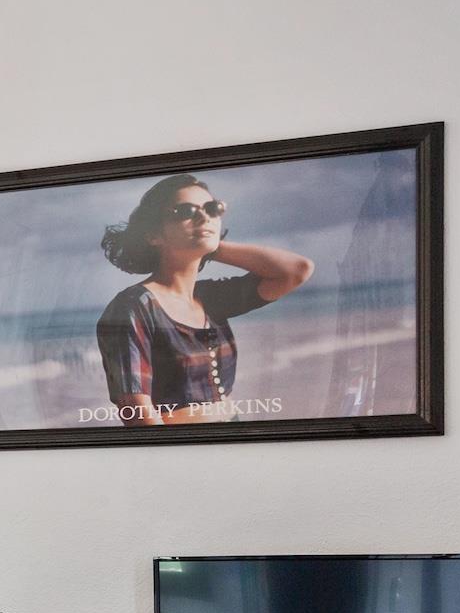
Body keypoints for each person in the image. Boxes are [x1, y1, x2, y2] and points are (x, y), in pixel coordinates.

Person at [95, 173, 313, 424]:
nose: (204, 217)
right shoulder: (134, 307)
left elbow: (296, 271)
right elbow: (136, 413)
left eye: (212, 209)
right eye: (185, 211)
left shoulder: (210, 298)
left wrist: (212, 244)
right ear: (154, 235)